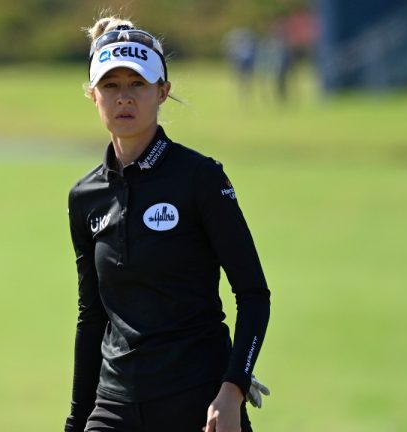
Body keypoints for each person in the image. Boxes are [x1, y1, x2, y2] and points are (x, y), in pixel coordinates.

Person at [64, 16, 271, 432]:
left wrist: (233, 387)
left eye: (137, 84)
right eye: (111, 85)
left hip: (199, 402)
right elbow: (93, 317)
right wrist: (76, 420)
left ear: (162, 91)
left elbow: (253, 295)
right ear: (92, 94)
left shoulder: (201, 178)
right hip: (114, 404)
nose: (124, 98)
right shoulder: (84, 196)